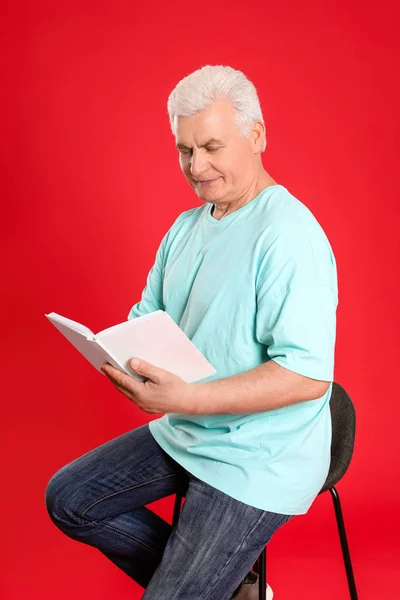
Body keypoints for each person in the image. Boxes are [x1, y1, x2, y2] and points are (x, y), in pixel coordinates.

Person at [45, 65, 338, 600]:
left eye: (211, 147)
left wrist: (186, 397)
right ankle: (235, 592)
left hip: (259, 456)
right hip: (187, 431)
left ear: (257, 135)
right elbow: (149, 315)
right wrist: (118, 355)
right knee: (69, 499)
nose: (196, 166)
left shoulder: (289, 236)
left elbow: (307, 375)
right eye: (184, 150)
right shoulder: (186, 227)